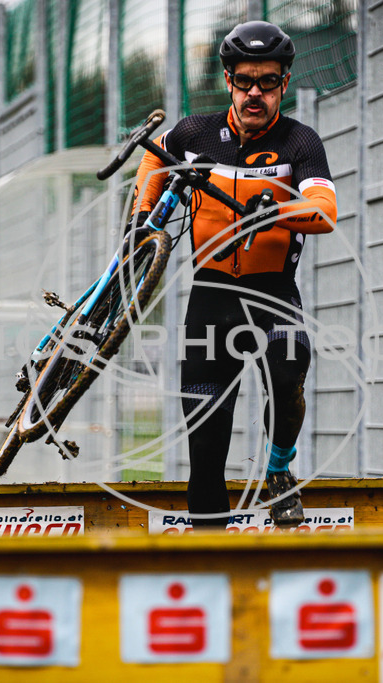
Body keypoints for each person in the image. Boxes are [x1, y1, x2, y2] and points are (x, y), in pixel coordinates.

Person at [130, 20, 337, 529]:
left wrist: (277, 212)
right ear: (228, 79)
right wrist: (141, 218)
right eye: (245, 80)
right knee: (205, 446)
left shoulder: (299, 142)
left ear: (284, 84)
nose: (255, 93)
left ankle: (279, 471)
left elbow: (325, 210)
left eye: (268, 82)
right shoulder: (196, 133)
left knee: (289, 374)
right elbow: (151, 165)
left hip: (273, 295)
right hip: (211, 299)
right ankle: (211, 561)